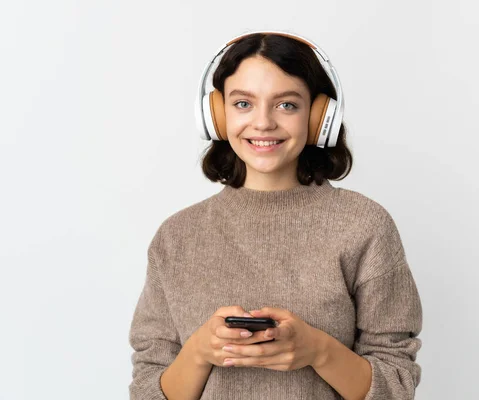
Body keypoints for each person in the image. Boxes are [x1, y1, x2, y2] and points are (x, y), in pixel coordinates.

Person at [128, 31, 423, 400]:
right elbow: (146, 389)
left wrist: (318, 350)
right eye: (243, 104)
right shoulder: (176, 236)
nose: (263, 123)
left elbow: (396, 384)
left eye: (286, 105)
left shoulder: (364, 225)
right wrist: (199, 352)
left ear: (318, 117)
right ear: (216, 115)